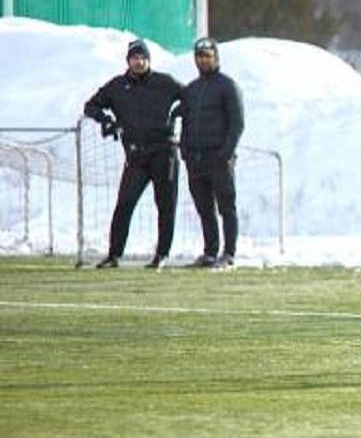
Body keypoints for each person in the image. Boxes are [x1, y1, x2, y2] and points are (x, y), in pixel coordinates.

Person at [83, 38, 184, 269]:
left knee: (166, 205)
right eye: (134, 58)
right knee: (125, 204)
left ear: (149, 60)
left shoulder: (164, 82)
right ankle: (114, 255)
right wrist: (106, 120)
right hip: (136, 156)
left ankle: (162, 255)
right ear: (128, 61)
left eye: (143, 58)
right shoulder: (117, 86)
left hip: (163, 152)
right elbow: (91, 105)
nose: (139, 62)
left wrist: (178, 111)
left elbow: (189, 98)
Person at [177, 37, 244, 269]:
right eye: (200, 56)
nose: (203, 60)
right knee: (204, 209)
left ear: (216, 58)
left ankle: (229, 253)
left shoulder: (228, 86)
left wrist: (225, 153)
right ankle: (209, 252)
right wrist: (184, 151)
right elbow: (185, 122)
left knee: (227, 207)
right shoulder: (192, 89)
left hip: (218, 159)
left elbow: (237, 124)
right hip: (195, 161)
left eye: (207, 56)